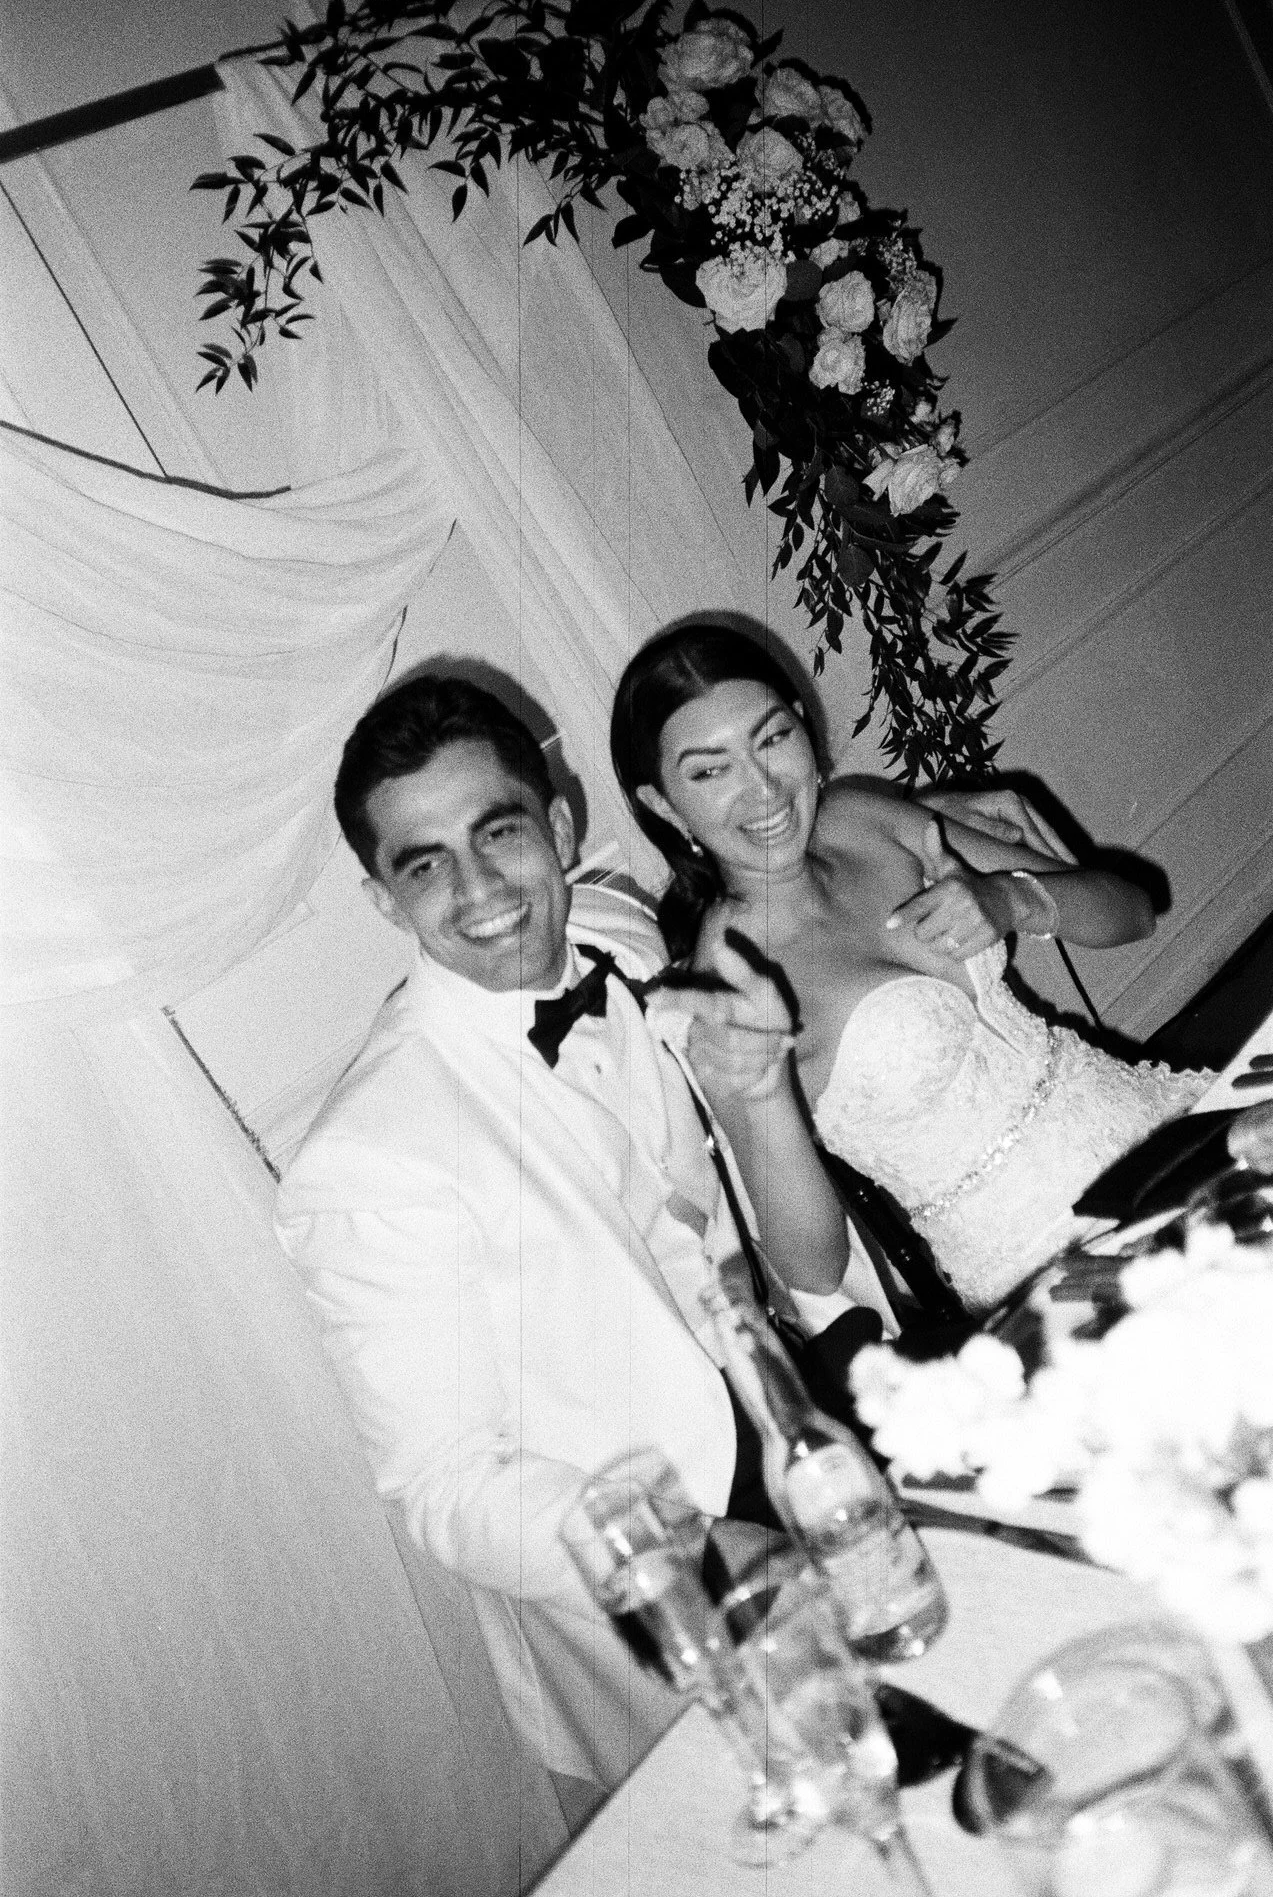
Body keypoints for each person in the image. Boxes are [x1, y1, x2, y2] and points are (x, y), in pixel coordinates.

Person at [273, 671, 858, 1800]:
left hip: (789, 1414)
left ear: (557, 825)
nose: (478, 890)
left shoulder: (618, 931)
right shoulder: (369, 1160)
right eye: (424, 865)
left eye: (497, 833)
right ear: (383, 901)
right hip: (666, 1564)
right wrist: (700, 1554)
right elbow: (447, 1488)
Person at [610, 620, 1213, 1315]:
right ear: (662, 803)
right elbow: (811, 1268)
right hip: (1057, 1273)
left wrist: (1012, 898)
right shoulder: (725, 985)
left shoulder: (861, 819)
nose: (764, 789)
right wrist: (766, 1093)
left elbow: (1132, 912)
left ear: (804, 729)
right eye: (710, 771)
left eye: (772, 738)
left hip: (1170, 1136)